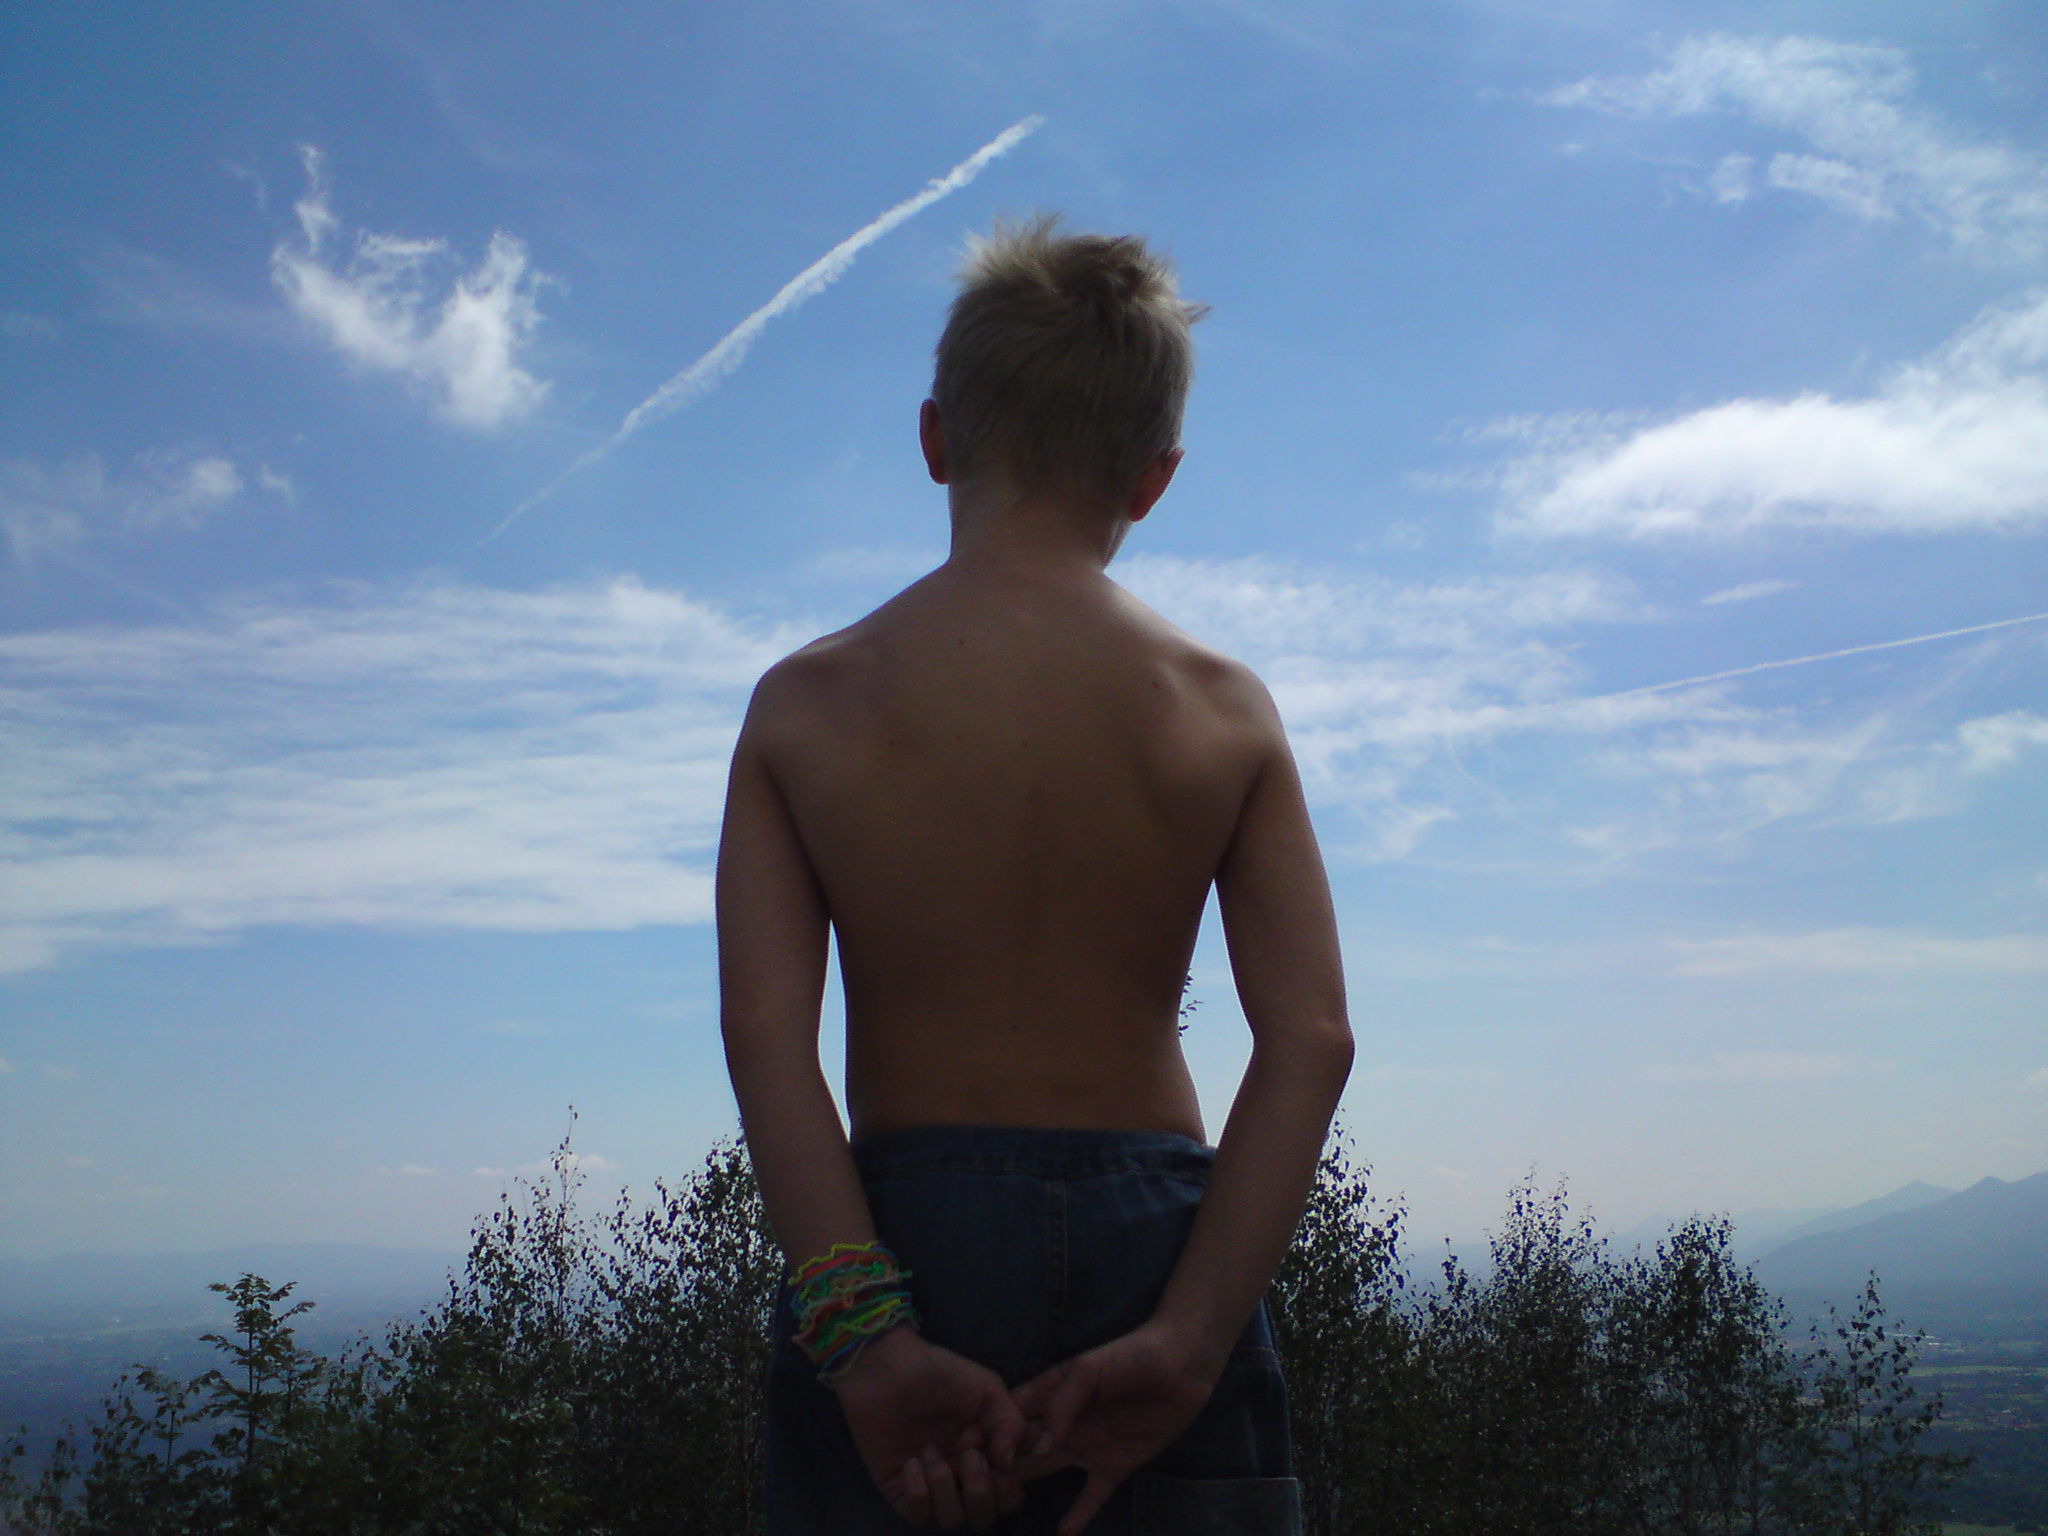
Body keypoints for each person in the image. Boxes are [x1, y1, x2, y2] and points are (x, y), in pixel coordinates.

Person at [718, 215, 1352, 1536]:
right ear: (1155, 478)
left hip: (896, 1238)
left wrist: (868, 1340)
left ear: (938, 437)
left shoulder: (806, 709)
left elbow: (766, 1039)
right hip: (1167, 1245)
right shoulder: (1225, 713)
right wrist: (1188, 1338)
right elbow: (1311, 1041)